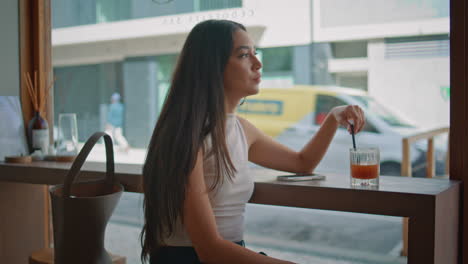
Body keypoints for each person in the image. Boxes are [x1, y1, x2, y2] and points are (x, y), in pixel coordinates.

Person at [141, 20, 366, 264]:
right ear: (211, 67)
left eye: (255, 54)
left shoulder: (239, 129)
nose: (258, 63)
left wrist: (333, 117)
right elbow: (209, 249)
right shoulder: (185, 135)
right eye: (244, 55)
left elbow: (302, 163)